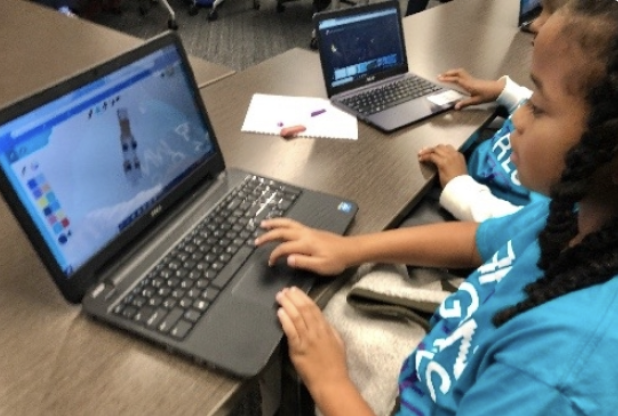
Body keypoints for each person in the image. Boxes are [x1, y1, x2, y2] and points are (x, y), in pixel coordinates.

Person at [256, 0, 618, 414]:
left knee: (283, 328)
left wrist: (330, 381)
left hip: (405, 397)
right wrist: (349, 249)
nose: (518, 117)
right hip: (445, 355)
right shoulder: (575, 214)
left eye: (538, 104)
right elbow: (478, 240)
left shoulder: (555, 375)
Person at [414, 0, 570, 222]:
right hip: (468, 170)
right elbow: (540, 101)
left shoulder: (566, 181)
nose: (535, 24)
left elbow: (521, 228)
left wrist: (460, 187)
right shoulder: (563, 93)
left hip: (470, 204)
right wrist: (503, 90)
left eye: (550, 14)